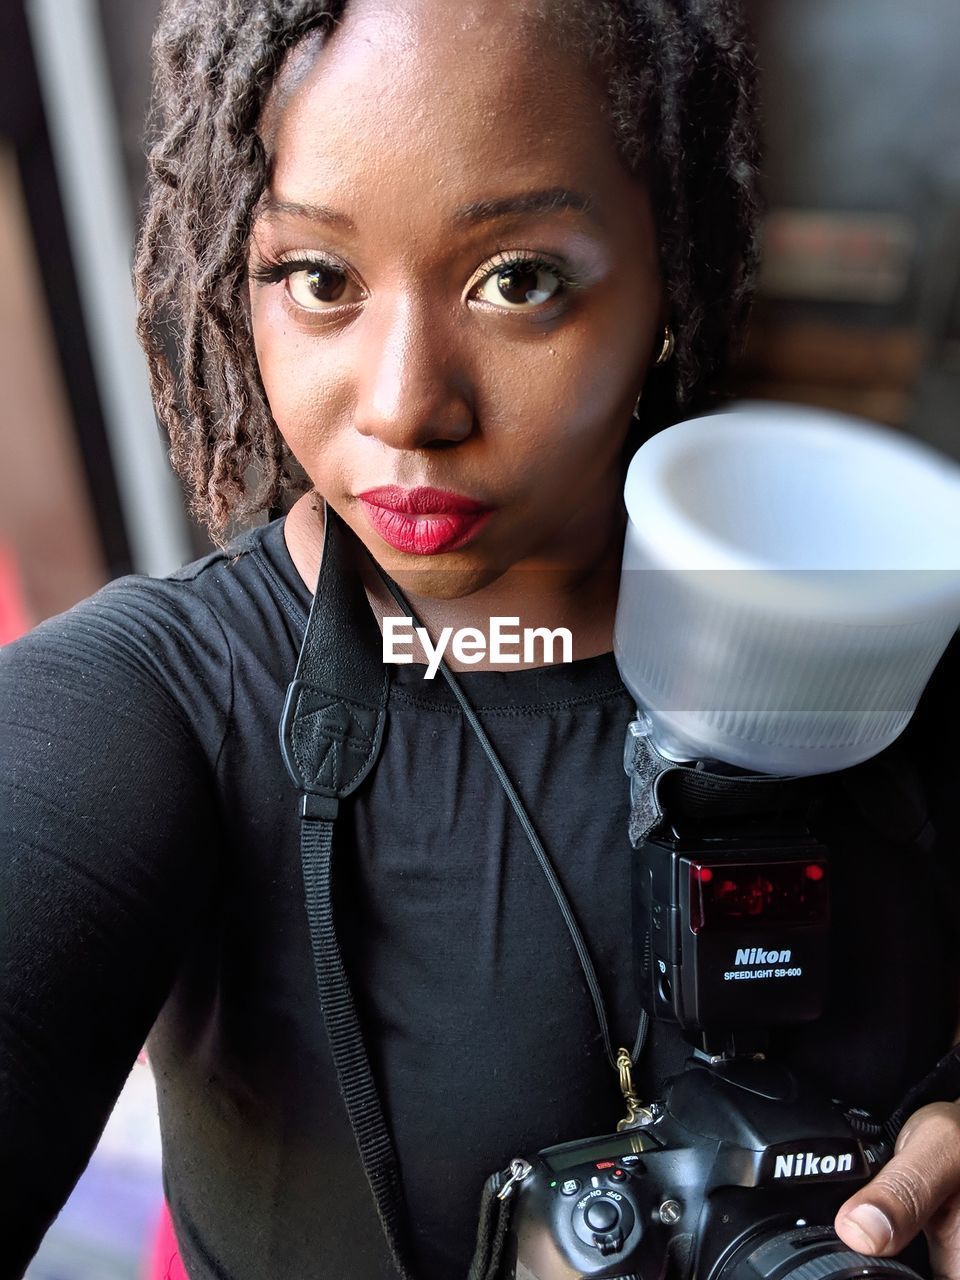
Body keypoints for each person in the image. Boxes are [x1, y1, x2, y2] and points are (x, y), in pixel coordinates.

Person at [2, 1, 959, 1277]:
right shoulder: (162, 707)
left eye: (519, 279)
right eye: (319, 278)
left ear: (668, 267)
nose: (407, 403)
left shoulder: (883, 640)